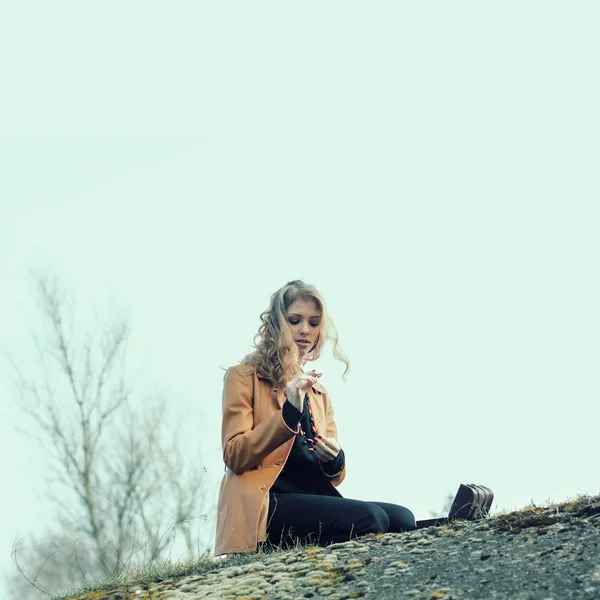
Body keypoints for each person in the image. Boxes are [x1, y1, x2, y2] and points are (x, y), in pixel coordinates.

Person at [215, 280, 416, 556]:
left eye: (313, 322)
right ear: (278, 323)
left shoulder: (318, 392)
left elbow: (334, 476)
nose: (304, 330)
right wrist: (288, 415)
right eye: (295, 320)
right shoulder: (244, 377)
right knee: (373, 520)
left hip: (310, 498)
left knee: (403, 519)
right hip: (268, 504)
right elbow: (234, 455)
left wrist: (334, 459)